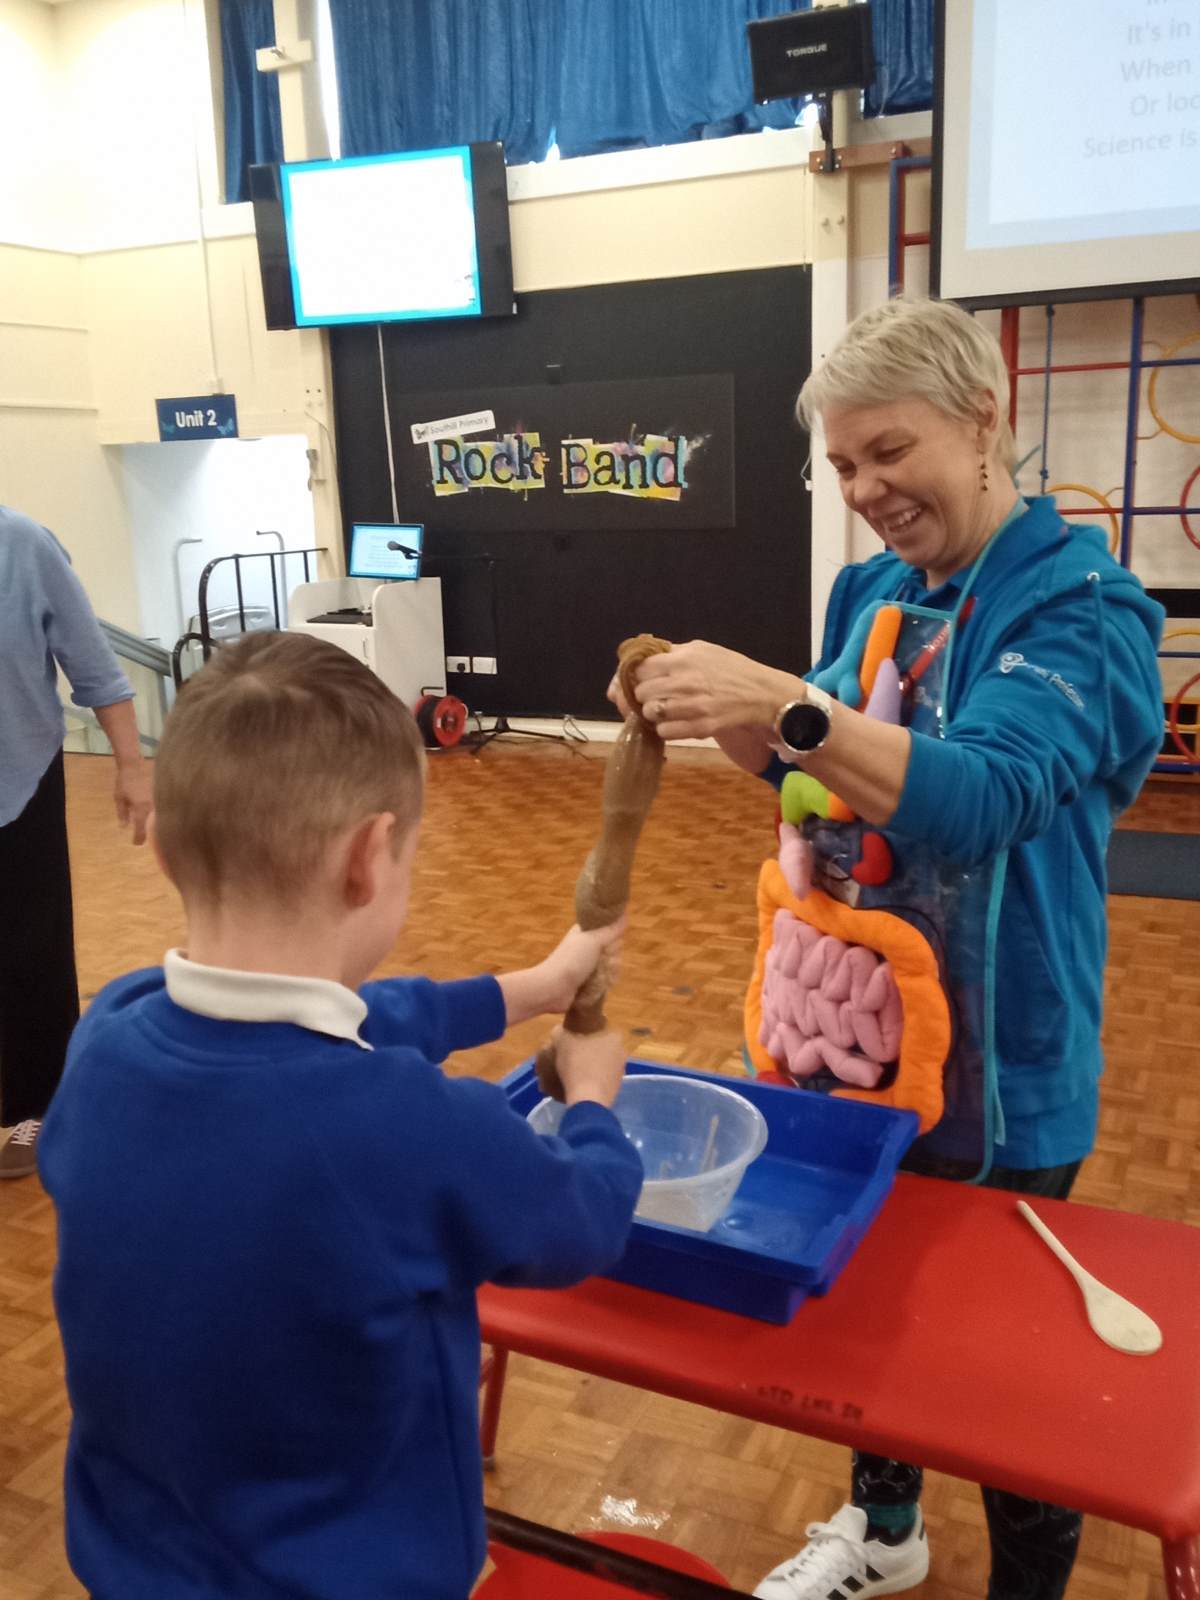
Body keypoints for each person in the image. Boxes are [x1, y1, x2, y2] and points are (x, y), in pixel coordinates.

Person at [614, 296, 1164, 1600]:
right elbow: (820, 785)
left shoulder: (1082, 609)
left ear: (985, 421)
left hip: (1006, 1069)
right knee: (870, 1310)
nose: (865, 490)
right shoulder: (870, 591)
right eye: (845, 463)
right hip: (859, 1037)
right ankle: (884, 1529)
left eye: (890, 451)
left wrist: (784, 702)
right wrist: (729, 718)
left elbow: (984, 797)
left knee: (1006, 1374)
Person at [39, 629, 643, 1600]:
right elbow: (583, 1220)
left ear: (167, 852)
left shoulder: (109, 1031)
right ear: (368, 857)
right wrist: (594, 1100)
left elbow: (334, 1024)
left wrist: (524, 991)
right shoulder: (413, 1130)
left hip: (136, 1568)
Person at [0, 504, 152, 1179]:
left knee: (31, 952)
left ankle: (41, 1105)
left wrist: (131, 766)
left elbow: (94, 666)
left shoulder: (21, 544)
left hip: (18, 779)